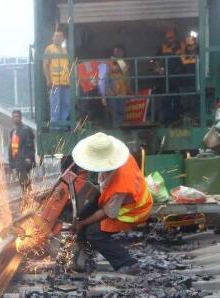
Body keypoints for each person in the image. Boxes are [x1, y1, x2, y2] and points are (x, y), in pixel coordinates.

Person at [72, 132, 153, 272]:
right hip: (124, 201)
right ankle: (85, 255)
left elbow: (107, 212)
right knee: (85, 213)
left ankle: (128, 263)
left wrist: (82, 224)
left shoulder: (120, 185)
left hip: (134, 210)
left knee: (93, 232)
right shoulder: (119, 156)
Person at [43, 30, 70, 129]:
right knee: (55, 105)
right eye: (56, 36)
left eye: (60, 36)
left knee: (66, 105)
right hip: (54, 83)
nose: (58, 38)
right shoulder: (49, 49)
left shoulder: (64, 50)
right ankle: (55, 127)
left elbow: (67, 66)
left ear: (63, 39)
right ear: (52, 38)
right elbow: (45, 64)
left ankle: (62, 126)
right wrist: (48, 80)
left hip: (65, 83)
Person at [156, 29, 182, 124]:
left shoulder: (180, 46)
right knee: (166, 98)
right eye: (168, 38)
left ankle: (176, 118)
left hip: (176, 76)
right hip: (166, 77)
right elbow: (156, 59)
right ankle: (166, 119)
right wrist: (159, 69)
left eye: (171, 37)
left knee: (177, 97)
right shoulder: (162, 47)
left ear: (175, 37)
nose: (170, 39)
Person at [8, 110, 36, 194]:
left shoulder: (26, 129)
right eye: (14, 117)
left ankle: (28, 198)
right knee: (22, 181)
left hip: (24, 160)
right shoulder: (13, 131)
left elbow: (30, 145)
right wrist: (11, 162)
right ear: (12, 118)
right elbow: (12, 147)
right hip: (17, 160)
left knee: (24, 180)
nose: (16, 118)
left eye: (17, 116)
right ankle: (27, 198)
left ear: (20, 118)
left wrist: (28, 157)